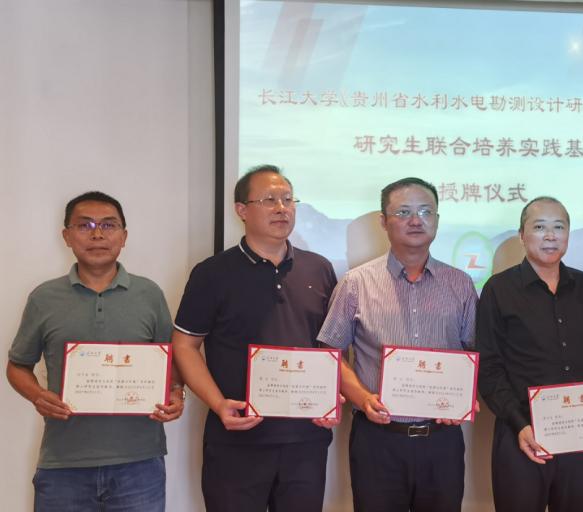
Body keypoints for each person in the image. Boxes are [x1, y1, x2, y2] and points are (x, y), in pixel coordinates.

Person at [172, 165, 340, 511]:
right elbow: (185, 345)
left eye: (288, 200)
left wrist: (331, 396)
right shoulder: (212, 273)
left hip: (305, 440)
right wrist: (219, 404)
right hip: (236, 440)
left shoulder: (320, 268)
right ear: (241, 210)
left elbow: (330, 348)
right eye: (268, 200)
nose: (281, 208)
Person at [7, 191, 183, 511]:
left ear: (124, 236)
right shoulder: (43, 298)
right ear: (67, 236)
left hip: (139, 463)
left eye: (108, 225)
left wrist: (176, 392)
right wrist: (37, 395)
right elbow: (17, 366)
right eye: (85, 225)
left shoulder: (149, 294)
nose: (97, 234)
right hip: (63, 464)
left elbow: (171, 361)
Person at [317, 177, 477, 512]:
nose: (416, 220)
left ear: (437, 220)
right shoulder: (356, 283)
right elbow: (330, 354)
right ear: (383, 221)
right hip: (378, 441)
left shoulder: (460, 284)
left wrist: (466, 397)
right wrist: (363, 398)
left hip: (442, 441)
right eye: (403, 212)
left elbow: (475, 353)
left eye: (425, 211)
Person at [477, 196, 583, 512]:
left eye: (559, 227)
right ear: (522, 234)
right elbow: (489, 367)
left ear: (568, 234)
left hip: (577, 433)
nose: (550, 236)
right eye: (539, 227)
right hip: (520, 434)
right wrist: (520, 423)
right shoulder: (498, 289)